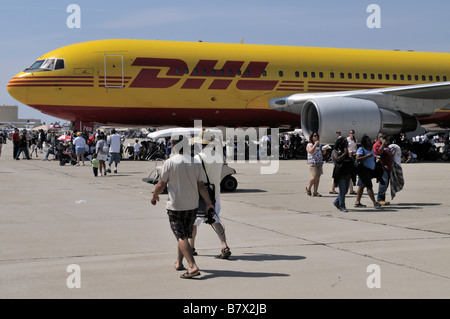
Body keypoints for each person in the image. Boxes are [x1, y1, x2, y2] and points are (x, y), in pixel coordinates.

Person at [151, 136, 215, 279]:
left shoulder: (169, 162)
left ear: (173, 146)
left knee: (180, 236)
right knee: (184, 235)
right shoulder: (195, 162)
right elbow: (201, 186)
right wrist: (209, 202)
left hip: (175, 206)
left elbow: (161, 184)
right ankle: (179, 263)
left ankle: (192, 266)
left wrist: (154, 196)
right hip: (192, 206)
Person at [190, 133, 231, 259]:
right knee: (215, 219)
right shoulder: (218, 156)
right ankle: (224, 245)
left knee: (193, 222)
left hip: (201, 194)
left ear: (201, 144)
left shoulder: (198, 157)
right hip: (216, 192)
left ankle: (191, 247)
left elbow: (196, 177)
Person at [354, 135, 381, 209]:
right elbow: (357, 158)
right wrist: (367, 157)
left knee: (361, 186)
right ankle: (375, 203)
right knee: (369, 186)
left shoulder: (370, 149)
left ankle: (357, 202)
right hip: (364, 171)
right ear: (365, 142)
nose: (370, 141)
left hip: (369, 171)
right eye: (369, 140)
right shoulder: (361, 149)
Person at [331, 137, 356, 212]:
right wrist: (345, 153)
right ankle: (342, 206)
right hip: (340, 173)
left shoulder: (347, 151)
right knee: (342, 191)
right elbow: (337, 159)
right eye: (346, 142)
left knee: (345, 191)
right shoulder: (335, 151)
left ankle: (336, 202)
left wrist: (351, 156)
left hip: (347, 172)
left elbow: (351, 161)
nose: (347, 144)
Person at [373, 133, 393, 206]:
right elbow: (379, 152)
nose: (386, 140)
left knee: (386, 183)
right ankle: (380, 199)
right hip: (382, 166)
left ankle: (383, 198)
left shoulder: (386, 145)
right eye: (383, 138)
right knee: (383, 182)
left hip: (388, 167)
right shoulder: (377, 145)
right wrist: (382, 144)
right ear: (380, 138)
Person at [306, 132, 327, 197]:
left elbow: (322, 153)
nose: (316, 137)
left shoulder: (319, 144)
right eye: (315, 136)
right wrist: (315, 145)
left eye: (317, 136)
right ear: (311, 137)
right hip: (312, 162)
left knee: (318, 177)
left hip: (319, 162)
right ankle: (308, 187)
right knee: (315, 176)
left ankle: (315, 192)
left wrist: (325, 149)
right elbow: (310, 151)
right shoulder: (310, 144)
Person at [346, 130, 358, 194]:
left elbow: (356, 147)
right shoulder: (347, 139)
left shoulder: (355, 139)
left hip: (353, 154)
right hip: (349, 154)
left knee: (353, 171)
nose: (351, 134)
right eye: (350, 133)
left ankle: (351, 189)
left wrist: (355, 152)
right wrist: (348, 152)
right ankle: (350, 189)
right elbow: (346, 147)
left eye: (352, 133)